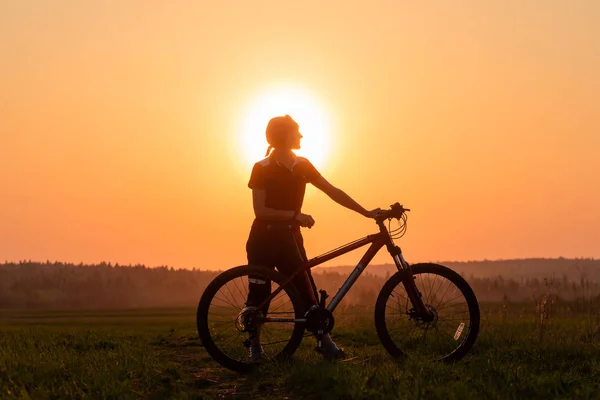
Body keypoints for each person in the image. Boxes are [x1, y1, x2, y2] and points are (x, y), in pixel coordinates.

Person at [245, 114, 380, 362]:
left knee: (307, 292)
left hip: (290, 239)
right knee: (258, 294)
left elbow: (333, 192)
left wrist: (366, 212)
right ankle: (255, 350)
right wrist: (295, 215)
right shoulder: (261, 167)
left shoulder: (302, 165)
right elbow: (261, 211)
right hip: (264, 238)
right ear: (283, 135)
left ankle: (326, 343)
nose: (301, 136)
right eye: (297, 131)